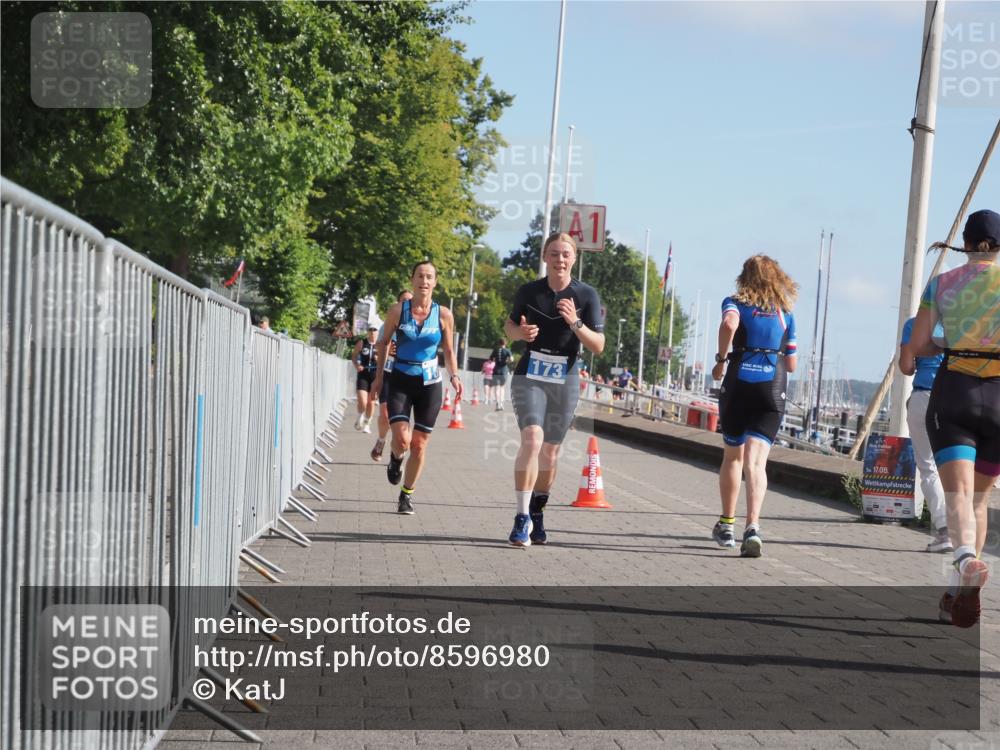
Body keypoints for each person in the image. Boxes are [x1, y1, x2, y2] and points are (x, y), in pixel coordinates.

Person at [909, 209, 1000, 628]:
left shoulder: (941, 284)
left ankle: (964, 558)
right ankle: (961, 591)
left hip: (956, 392)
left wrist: (954, 341)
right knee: (979, 498)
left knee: (959, 495)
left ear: (966, 242)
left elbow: (921, 345)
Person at [504, 233, 605, 546]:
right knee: (532, 440)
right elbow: (508, 329)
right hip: (530, 374)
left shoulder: (587, 295)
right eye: (554, 254)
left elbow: (599, 346)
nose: (560, 260)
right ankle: (521, 517)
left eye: (565, 254)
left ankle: (537, 508)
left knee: (550, 451)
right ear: (545, 257)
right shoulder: (529, 291)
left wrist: (576, 323)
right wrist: (520, 332)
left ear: (573, 259)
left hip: (566, 376)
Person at [710, 255, 798, 558]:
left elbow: (729, 323)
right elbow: (792, 363)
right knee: (756, 463)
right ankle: (753, 527)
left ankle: (727, 525)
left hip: (738, 382)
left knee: (733, 457)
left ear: (744, 277)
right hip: (772, 387)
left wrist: (721, 360)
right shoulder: (785, 312)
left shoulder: (734, 302)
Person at [371, 262, 462, 515]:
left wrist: (454, 375)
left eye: (429, 276)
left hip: (430, 383)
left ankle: (406, 495)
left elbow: (450, 350)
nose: (424, 280)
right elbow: (383, 343)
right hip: (400, 378)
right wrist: (378, 378)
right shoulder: (398, 311)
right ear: (412, 280)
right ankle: (396, 458)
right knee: (402, 439)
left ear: (435, 282)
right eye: (420, 276)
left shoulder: (444, 314)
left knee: (420, 445)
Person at [899, 316, 951, 553]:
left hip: (923, 396)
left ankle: (944, 530)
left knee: (928, 467)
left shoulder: (914, 324)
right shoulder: (961, 322)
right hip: (954, 396)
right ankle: (965, 531)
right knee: (956, 466)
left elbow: (906, 367)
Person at [370, 290, 413, 462]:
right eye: (403, 301)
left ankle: (398, 451)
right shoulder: (388, 324)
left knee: (403, 421)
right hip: (389, 374)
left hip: (409, 376)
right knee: (386, 415)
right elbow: (381, 347)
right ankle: (381, 440)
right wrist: (378, 376)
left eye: (410, 301)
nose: (406, 305)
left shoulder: (419, 325)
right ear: (397, 303)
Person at [352, 326, 379, 432]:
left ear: (377, 332)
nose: (372, 332)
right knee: (363, 401)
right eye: (370, 330)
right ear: (368, 332)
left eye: (374, 330)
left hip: (375, 375)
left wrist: (379, 360)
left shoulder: (380, 344)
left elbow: (386, 359)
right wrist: (357, 366)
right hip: (363, 374)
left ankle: (367, 424)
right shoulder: (362, 343)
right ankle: (360, 417)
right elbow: (354, 356)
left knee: (371, 402)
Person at [490, 338, 513, 410]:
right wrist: (507, 361)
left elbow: (491, 358)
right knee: (502, 387)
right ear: (505, 343)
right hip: (504, 370)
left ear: (499, 343)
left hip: (496, 370)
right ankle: (501, 403)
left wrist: (497, 360)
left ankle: (497, 403)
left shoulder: (495, 350)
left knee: (497, 387)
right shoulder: (507, 350)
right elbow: (512, 359)